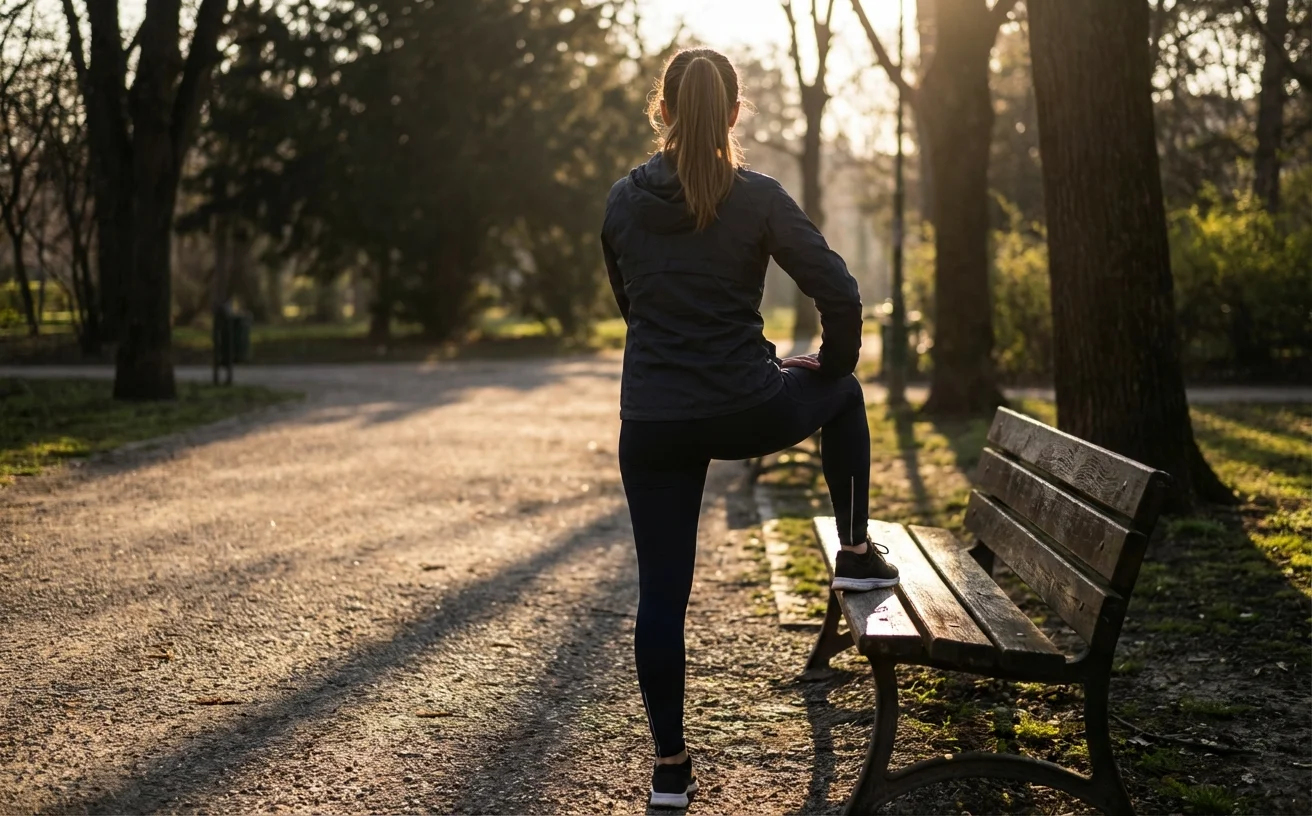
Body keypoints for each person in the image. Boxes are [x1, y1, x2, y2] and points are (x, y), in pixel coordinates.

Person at [601, 47, 900, 809]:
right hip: (745, 408)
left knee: (661, 597)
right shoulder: (759, 196)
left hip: (654, 420)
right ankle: (855, 554)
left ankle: (670, 771)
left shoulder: (623, 201)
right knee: (845, 392)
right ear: (735, 114)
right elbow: (840, 290)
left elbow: (630, 304)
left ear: (662, 111)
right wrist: (830, 364)